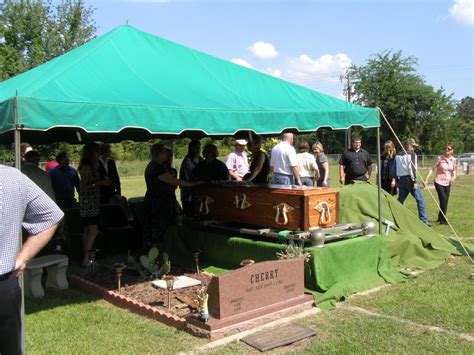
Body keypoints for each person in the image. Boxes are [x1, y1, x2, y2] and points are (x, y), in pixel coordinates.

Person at [0, 165, 63, 355]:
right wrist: (23, 257)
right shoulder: (11, 176)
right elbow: (52, 215)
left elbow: (52, 215)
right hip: (4, 287)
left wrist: (23, 257)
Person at [144, 144, 200, 248]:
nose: (167, 155)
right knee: (159, 229)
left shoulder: (154, 165)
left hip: (158, 201)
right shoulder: (156, 167)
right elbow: (173, 181)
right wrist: (192, 184)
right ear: (160, 153)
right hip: (157, 203)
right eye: (165, 152)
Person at [78, 142, 111, 266]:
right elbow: (83, 186)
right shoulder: (87, 167)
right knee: (92, 230)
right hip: (88, 203)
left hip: (93, 201)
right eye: (97, 151)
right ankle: (87, 259)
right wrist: (99, 183)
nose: (99, 154)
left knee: (88, 231)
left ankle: (86, 258)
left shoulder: (93, 166)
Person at [391, 138, 429, 225]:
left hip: (401, 180)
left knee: (400, 201)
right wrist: (414, 181)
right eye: (413, 146)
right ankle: (424, 221)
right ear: (409, 146)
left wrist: (396, 180)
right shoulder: (412, 155)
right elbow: (412, 168)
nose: (414, 149)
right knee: (420, 200)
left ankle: (395, 217)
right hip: (410, 180)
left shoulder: (397, 156)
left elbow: (394, 170)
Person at [423, 143, 457, 225]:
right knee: (444, 200)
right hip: (438, 182)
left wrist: (454, 177)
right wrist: (426, 179)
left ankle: (440, 218)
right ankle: (443, 220)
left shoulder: (454, 160)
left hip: (448, 183)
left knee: (445, 201)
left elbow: (454, 170)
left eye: (449, 149)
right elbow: (432, 169)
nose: (446, 150)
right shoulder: (440, 158)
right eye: (446, 148)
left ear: (452, 150)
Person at [179, 140, 202, 217]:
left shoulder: (200, 159)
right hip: (188, 196)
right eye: (196, 148)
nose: (198, 149)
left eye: (199, 147)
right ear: (190, 149)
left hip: (198, 194)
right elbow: (186, 179)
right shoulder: (187, 162)